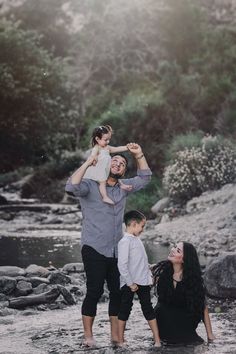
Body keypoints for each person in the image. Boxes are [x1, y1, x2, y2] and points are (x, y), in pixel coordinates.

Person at [65, 142, 152, 347]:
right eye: (115, 161)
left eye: (122, 163)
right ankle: (88, 337)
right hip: (93, 247)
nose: (118, 164)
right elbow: (70, 186)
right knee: (94, 291)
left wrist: (138, 154)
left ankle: (115, 336)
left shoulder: (124, 188)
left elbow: (145, 178)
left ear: (123, 171)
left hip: (116, 249)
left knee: (118, 293)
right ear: (106, 164)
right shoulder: (90, 185)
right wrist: (88, 163)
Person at [152, 242, 216, 345]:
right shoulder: (163, 271)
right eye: (174, 247)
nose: (172, 250)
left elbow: (202, 306)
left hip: (183, 325)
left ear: (184, 259)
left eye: (178, 250)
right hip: (163, 326)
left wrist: (210, 334)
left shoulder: (193, 280)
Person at [117, 210, 161, 347]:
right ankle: (120, 339)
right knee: (125, 308)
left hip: (142, 281)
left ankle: (157, 339)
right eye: (142, 226)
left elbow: (140, 261)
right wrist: (130, 283)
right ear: (134, 224)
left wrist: (150, 274)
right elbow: (122, 265)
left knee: (148, 308)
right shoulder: (125, 242)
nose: (143, 229)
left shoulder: (136, 239)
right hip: (130, 282)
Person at [83, 125, 132, 205]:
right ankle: (105, 197)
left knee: (113, 176)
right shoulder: (97, 148)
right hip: (99, 169)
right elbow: (93, 155)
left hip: (106, 168)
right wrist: (94, 159)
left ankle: (121, 185)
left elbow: (117, 149)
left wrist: (127, 147)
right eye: (105, 140)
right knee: (102, 183)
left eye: (109, 139)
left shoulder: (107, 147)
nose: (108, 142)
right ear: (97, 139)